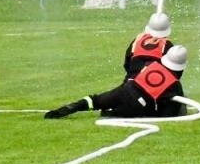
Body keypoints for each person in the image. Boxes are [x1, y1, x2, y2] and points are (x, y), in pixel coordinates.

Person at [46, 44, 189, 119]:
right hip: (136, 105)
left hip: (125, 90)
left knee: (96, 100)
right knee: (116, 113)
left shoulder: (150, 66)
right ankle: (110, 113)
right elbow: (168, 116)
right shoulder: (175, 85)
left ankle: (69, 108)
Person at [125, 12, 173, 76]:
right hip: (155, 80)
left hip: (131, 80)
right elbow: (173, 71)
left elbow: (127, 64)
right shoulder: (167, 45)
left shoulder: (137, 40)